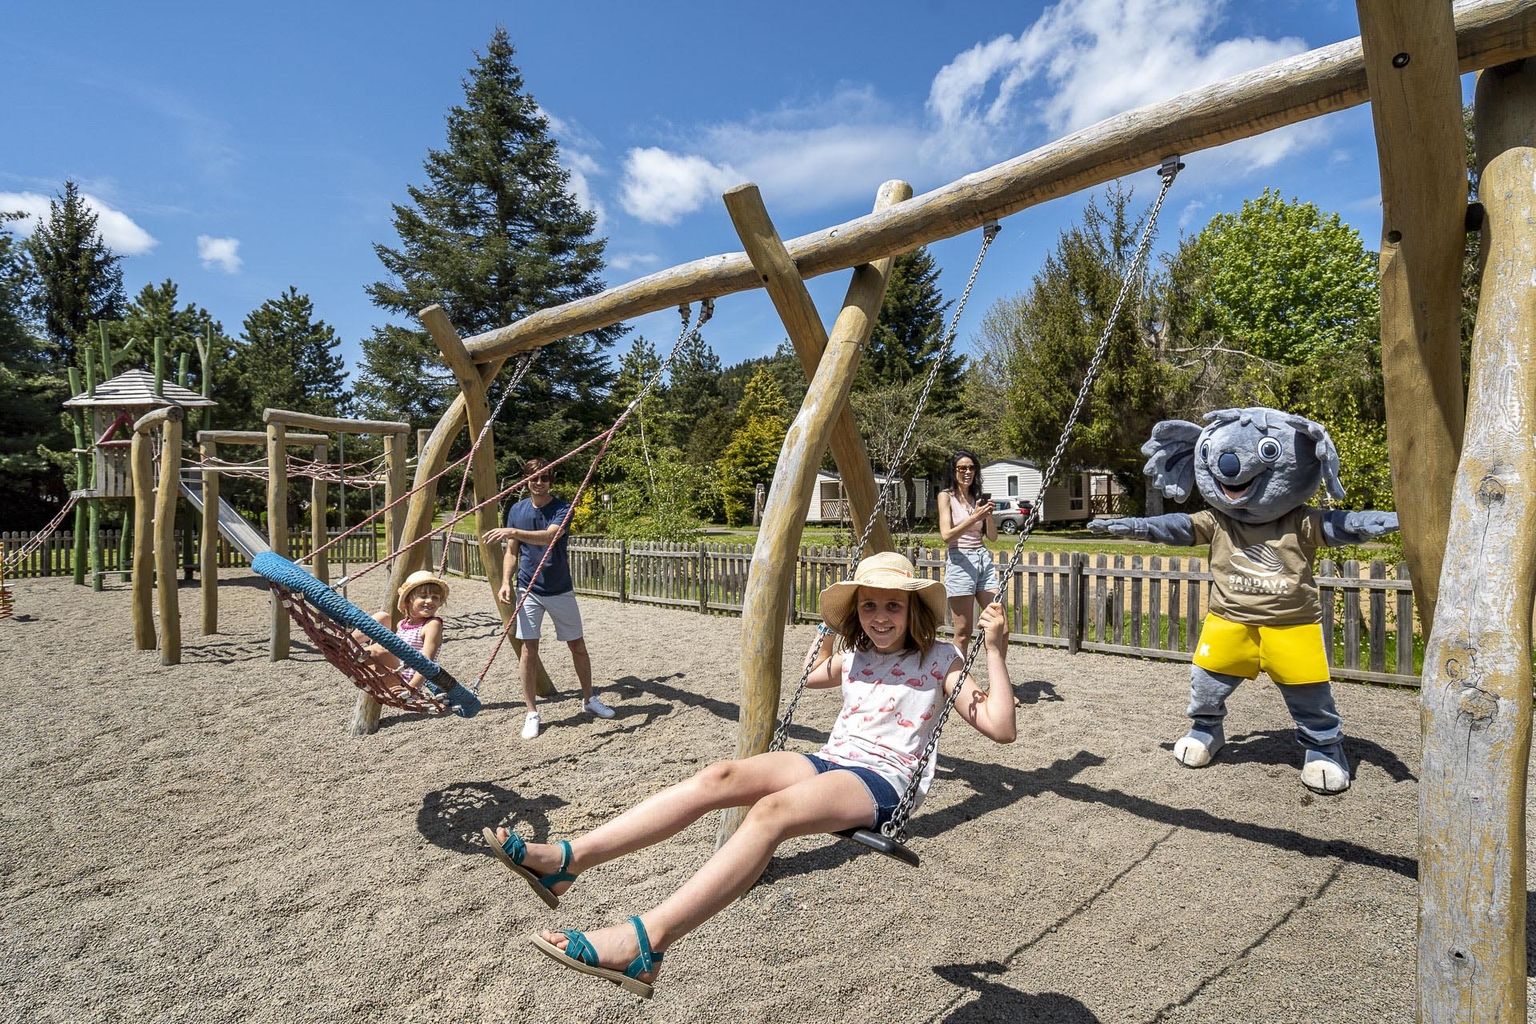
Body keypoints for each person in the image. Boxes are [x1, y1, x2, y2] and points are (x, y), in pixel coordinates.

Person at [481, 551, 1018, 997]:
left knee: (770, 814)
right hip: (832, 760)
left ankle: (645, 943)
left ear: (913, 611)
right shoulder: (856, 657)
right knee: (720, 777)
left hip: (883, 780)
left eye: (893, 607)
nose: (880, 617)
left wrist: (994, 652)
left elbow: (1000, 727)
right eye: (870, 606)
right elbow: (813, 679)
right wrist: (828, 634)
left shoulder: (940, 659)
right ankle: (566, 861)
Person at [482, 457, 614, 739]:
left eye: (544, 477)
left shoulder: (562, 508)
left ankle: (589, 698)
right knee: (529, 650)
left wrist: (512, 531)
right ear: (526, 480)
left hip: (560, 588)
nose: (539, 482)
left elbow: (549, 537)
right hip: (529, 589)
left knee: (577, 645)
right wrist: (506, 582)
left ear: (550, 481)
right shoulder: (517, 510)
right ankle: (531, 712)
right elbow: (512, 552)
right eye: (534, 477)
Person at [937, 449, 999, 652]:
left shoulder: (976, 497)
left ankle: (997, 681)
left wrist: (987, 515)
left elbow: (993, 537)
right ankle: (958, 681)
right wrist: (973, 518)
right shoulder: (946, 497)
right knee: (963, 632)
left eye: (971, 468)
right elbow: (946, 536)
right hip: (960, 559)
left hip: (982, 558)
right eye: (962, 468)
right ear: (953, 471)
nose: (967, 472)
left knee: (1000, 625)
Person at [356, 569, 448, 697]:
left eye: (435, 598)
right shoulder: (401, 624)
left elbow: (428, 662)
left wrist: (412, 689)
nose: (430, 601)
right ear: (408, 600)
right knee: (383, 617)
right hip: (393, 671)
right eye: (423, 596)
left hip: (405, 682)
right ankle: (347, 642)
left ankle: (348, 647)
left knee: (378, 650)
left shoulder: (432, 625)